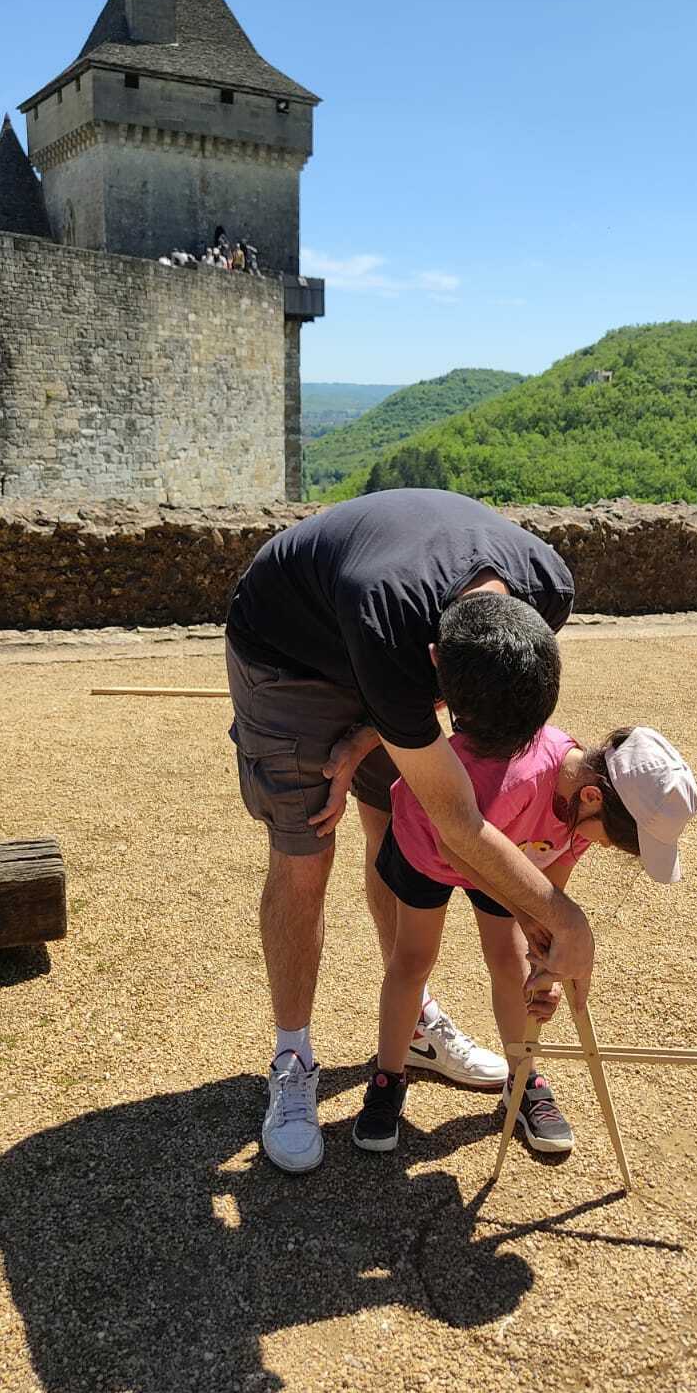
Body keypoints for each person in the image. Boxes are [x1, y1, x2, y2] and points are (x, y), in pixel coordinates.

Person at [225, 489, 594, 1174]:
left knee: (392, 826)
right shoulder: (385, 610)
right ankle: (293, 1058)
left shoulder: (548, 589)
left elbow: (449, 785)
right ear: (433, 660)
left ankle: (415, 1022)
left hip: (391, 655)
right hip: (289, 649)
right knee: (307, 848)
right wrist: (564, 919)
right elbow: (457, 821)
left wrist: (378, 735)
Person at [351, 725, 697, 1155]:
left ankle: (524, 1077)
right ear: (593, 797)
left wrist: (546, 965)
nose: (605, 848)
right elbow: (456, 846)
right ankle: (389, 1076)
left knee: (511, 959)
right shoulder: (521, 777)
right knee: (414, 959)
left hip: (510, 853)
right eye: (610, 840)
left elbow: (549, 898)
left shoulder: (581, 808)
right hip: (432, 837)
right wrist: (519, 908)